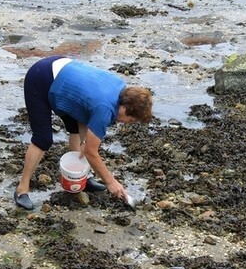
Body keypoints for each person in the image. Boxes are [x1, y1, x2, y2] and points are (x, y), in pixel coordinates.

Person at [14, 55, 153, 210]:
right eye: (131, 120)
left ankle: (80, 178)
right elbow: (91, 152)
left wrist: (85, 145)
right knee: (43, 139)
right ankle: (22, 189)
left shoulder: (121, 89)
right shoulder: (105, 109)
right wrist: (110, 182)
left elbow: (86, 116)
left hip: (63, 73)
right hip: (40, 79)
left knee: (77, 129)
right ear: (124, 108)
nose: (128, 123)